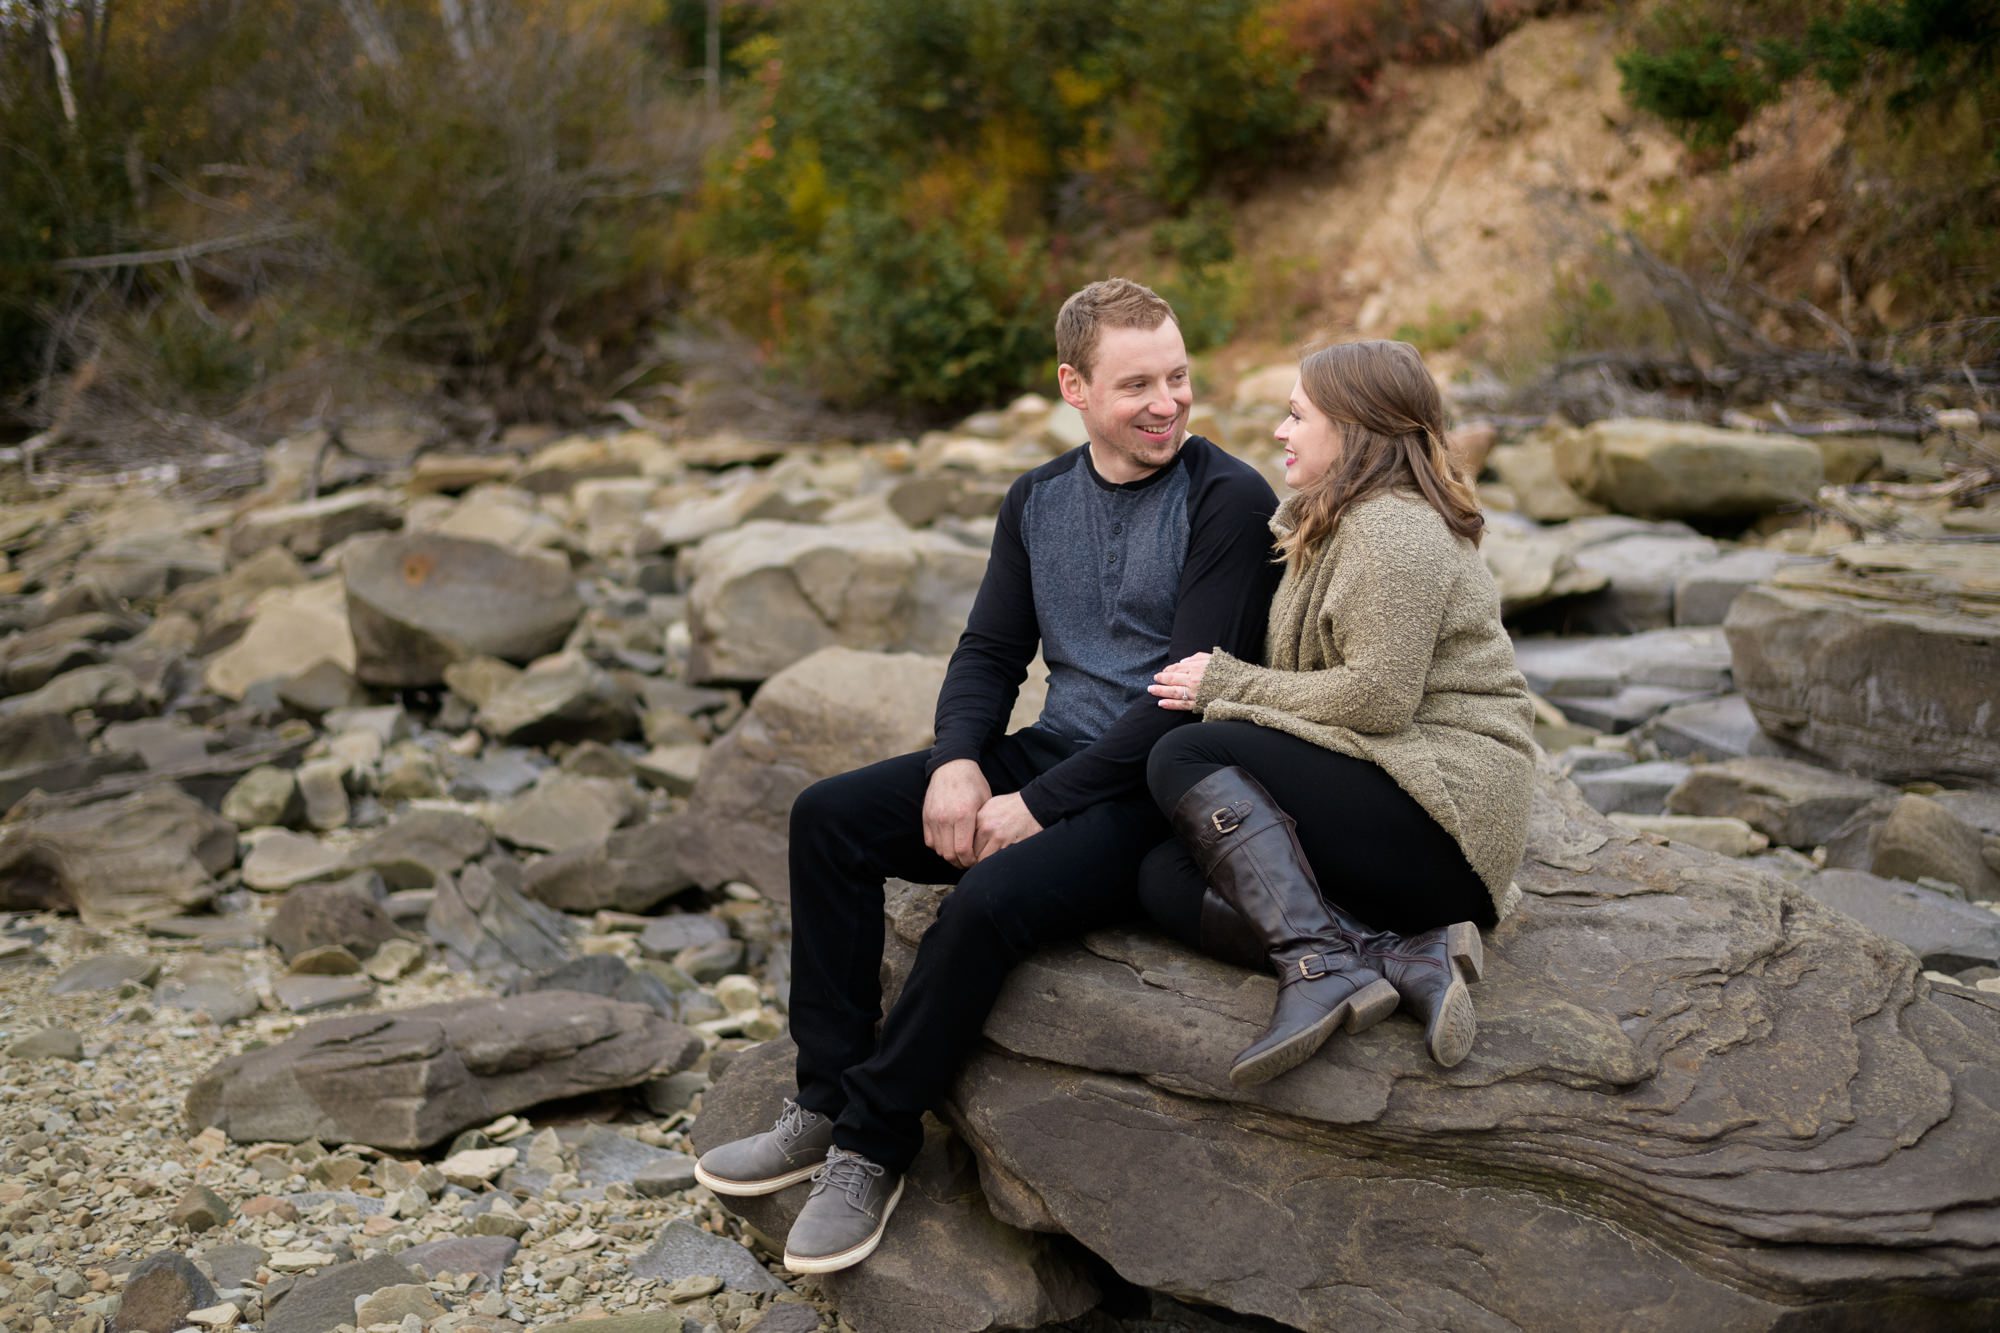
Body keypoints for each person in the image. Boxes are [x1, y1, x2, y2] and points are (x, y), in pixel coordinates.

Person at [693, 278, 1281, 1274]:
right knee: (826, 819)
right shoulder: (1037, 500)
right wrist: (960, 762)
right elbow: (986, 651)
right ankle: (823, 1097)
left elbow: (1181, 700)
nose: (1168, 402)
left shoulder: (1227, 499)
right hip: (1053, 748)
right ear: (1073, 387)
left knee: (988, 899)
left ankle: (870, 1146)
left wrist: (1034, 808)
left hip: (1159, 789)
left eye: (1178, 377)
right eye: (1136, 383)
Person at [1141, 339, 1534, 1085]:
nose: (1281, 433)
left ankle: (1317, 966)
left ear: (1354, 427)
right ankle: (1400, 956)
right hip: (1400, 806)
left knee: (1184, 756)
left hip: (1447, 826)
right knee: (1164, 873)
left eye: (1296, 416)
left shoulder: (1394, 530)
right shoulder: (1334, 521)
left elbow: (1377, 699)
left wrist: (1230, 684)